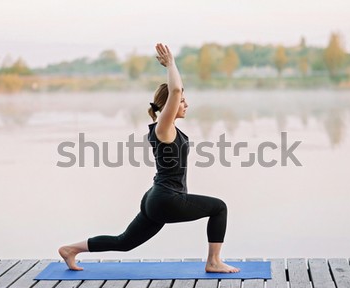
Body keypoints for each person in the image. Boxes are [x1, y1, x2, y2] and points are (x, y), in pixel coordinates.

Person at [58, 43, 240, 273]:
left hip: (156, 198)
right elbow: (174, 91)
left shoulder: (164, 128)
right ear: (168, 106)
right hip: (166, 199)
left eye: (184, 101)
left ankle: (70, 249)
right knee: (219, 208)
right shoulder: (164, 128)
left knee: (124, 242)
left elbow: (175, 95)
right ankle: (213, 262)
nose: (186, 104)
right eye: (183, 101)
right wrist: (171, 65)